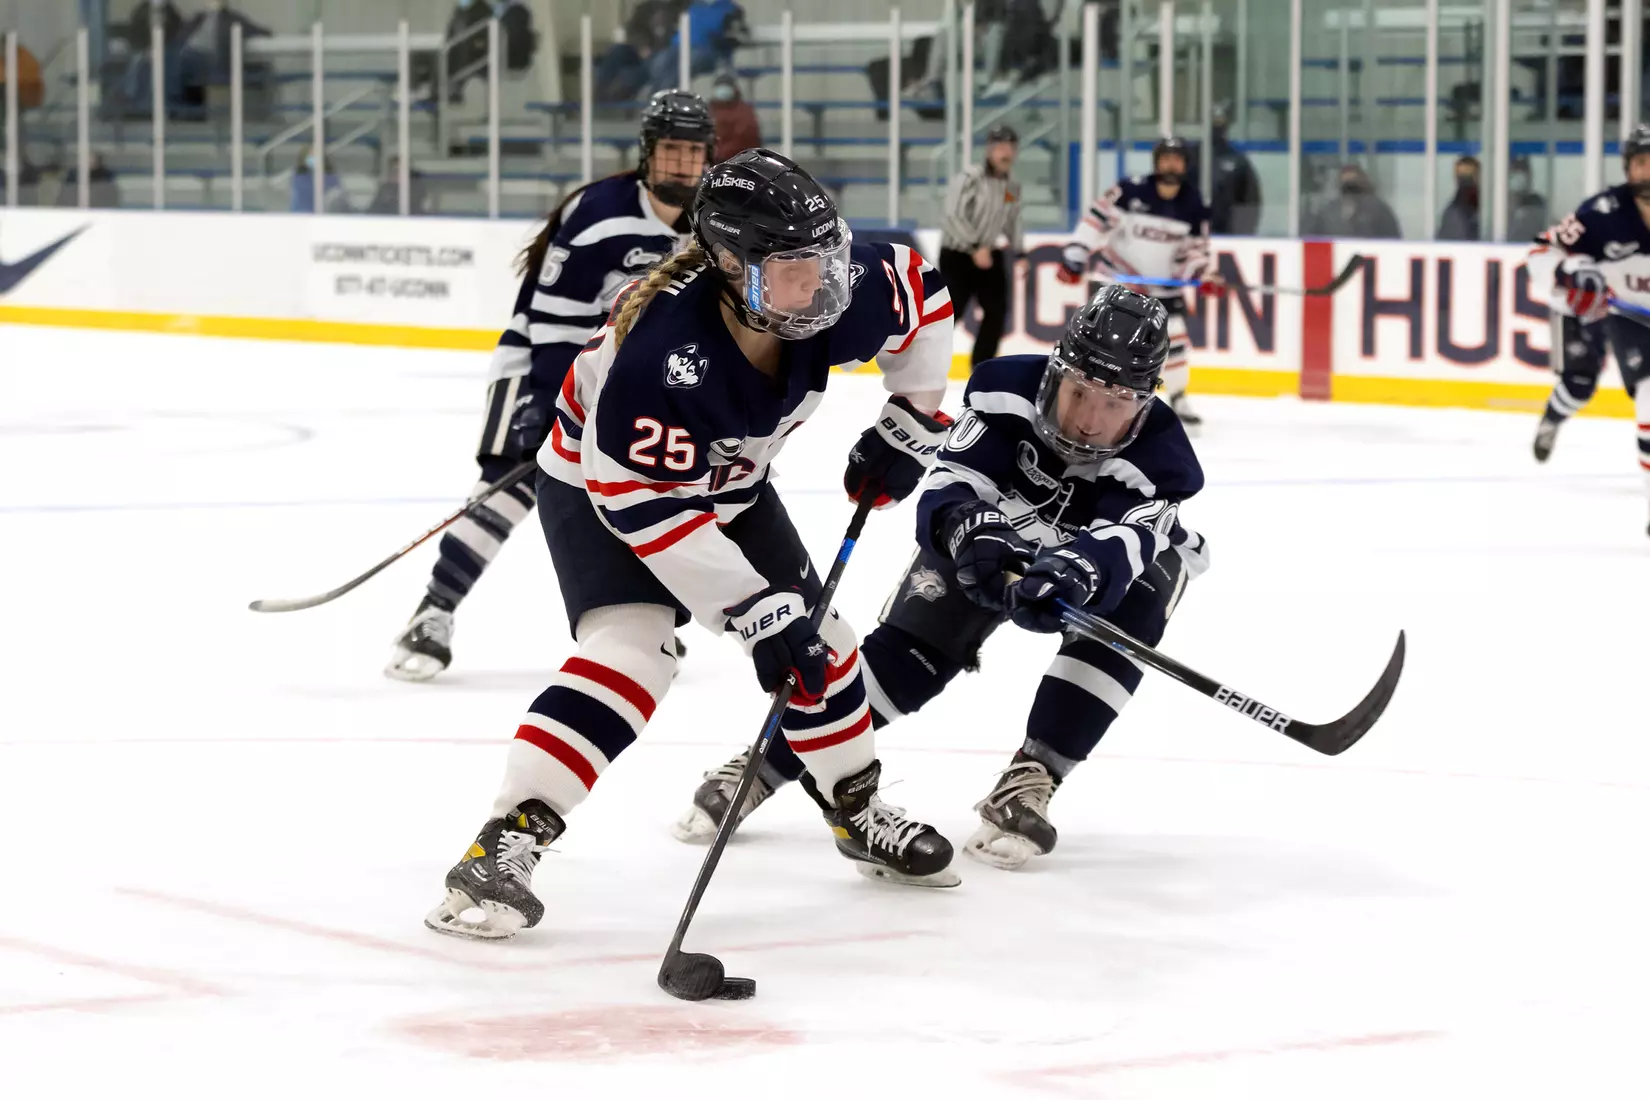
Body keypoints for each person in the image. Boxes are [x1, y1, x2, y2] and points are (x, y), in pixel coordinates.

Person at [424, 149, 960, 940]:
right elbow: (645, 506)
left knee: (825, 644)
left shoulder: (822, 295)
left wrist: (912, 418)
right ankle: (505, 841)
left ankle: (854, 808)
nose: (821, 285)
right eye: (793, 269)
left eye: (826, 259)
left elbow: (923, 291)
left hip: (729, 485)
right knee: (634, 652)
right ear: (733, 267)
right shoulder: (659, 361)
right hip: (603, 490)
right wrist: (754, 613)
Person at [672, 285, 1210, 870]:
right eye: (1081, 393)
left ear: (1145, 403)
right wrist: (970, 531)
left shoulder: (1163, 459)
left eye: (1115, 405)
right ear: (1057, 372)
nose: (1089, 421)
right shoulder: (1007, 391)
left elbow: (1125, 541)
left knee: (1139, 603)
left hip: (1093, 558)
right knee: (908, 656)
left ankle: (1033, 776)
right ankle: (770, 761)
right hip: (1000, 534)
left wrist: (1077, 570)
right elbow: (950, 484)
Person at [387, 92, 715, 681]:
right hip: (539, 364)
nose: (682, 165)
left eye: (693, 152)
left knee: (639, 490)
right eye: (671, 150)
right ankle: (433, 612)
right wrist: (546, 399)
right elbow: (555, 321)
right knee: (508, 487)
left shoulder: (708, 227)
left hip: (619, 382)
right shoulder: (602, 213)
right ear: (647, 154)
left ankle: (646, 622)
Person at [1525, 124, 1650, 536]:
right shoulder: (1603, 213)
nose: (1648, 171)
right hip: (1612, 311)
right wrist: (1572, 268)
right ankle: (1551, 419)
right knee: (1582, 384)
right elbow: (1542, 252)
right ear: (1627, 169)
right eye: (1640, 163)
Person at [1060, 136, 1221, 431]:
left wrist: (1202, 275)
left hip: (1163, 289)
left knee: (1176, 343)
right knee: (1102, 345)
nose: (1171, 164)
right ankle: (1086, 395)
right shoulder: (1130, 190)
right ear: (1156, 161)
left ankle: (1179, 396)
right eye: (1166, 157)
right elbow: (1095, 220)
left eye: (1177, 158)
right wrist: (1076, 253)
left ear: (1185, 165)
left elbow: (1194, 253)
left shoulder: (1195, 204)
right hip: (1117, 282)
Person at [939, 124, 1023, 371]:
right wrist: (974, 246)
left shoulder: (1010, 186)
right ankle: (925, 359)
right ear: (989, 150)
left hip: (988, 253)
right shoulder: (969, 178)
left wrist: (1020, 252)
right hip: (959, 254)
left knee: (997, 310)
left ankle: (982, 366)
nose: (1005, 153)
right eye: (1000, 148)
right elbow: (952, 215)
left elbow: (1012, 219)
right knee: (949, 312)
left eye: (1010, 148)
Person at [646, 0, 748, 96]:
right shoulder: (693, 5)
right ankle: (656, 97)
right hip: (678, 47)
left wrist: (724, 38)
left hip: (706, 50)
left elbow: (738, 34)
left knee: (680, 68)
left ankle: (662, 98)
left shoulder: (730, 9)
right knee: (659, 63)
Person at [1194, 101, 1263, 236]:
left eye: (1220, 121)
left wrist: (1243, 235)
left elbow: (1250, 200)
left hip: (1227, 234)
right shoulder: (1190, 157)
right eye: (1213, 120)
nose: (1216, 125)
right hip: (1192, 232)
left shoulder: (1237, 161)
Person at [595, 0, 681, 103]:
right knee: (616, 51)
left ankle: (623, 94)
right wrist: (642, 46)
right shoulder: (645, 8)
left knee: (645, 69)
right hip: (642, 48)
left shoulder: (681, 9)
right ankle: (599, 96)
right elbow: (632, 29)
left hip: (665, 53)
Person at [1304, 163, 1402, 241]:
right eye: (1345, 183)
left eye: (1353, 182)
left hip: (1369, 260)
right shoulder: (1328, 211)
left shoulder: (1378, 209)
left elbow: (1393, 241)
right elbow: (1312, 238)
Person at [710, 72, 761, 162]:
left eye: (726, 86)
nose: (723, 91)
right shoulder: (709, 110)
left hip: (740, 162)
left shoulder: (744, 112)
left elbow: (748, 138)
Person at [289, 146, 350, 214]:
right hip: (302, 214)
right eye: (311, 156)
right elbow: (301, 196)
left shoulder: (331, 177)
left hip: (326, 216)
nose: (314, 159)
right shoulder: (299, 177)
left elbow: (338, 195)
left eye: (316, 156)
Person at [1507, 156, 1552, 244]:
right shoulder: (1501, 202)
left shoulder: (1536, 201)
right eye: (1515, 173)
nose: (1519, 178)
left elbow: (1547, 226)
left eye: (1523, 173)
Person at [365, 156, 431, 216]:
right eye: (394, 170)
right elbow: (373, 212)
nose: (397, 173)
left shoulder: (417, 187)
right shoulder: (385, 189)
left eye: (401, 170)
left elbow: (415, 210)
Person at [1437, 155, 1481, 241]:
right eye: (1461, 176)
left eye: (1469, 176)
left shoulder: (1490, 210)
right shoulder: (1453, 212)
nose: (1465, 182)